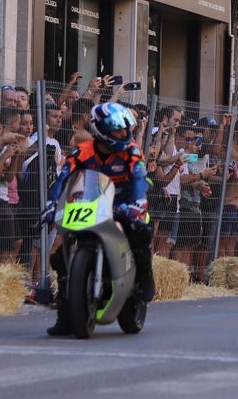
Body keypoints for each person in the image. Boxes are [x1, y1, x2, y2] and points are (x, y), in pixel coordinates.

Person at [41, 102, 156, 337]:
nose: (123, 134)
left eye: (125, 129)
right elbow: (62, 179)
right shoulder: (82, 151)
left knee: (140, 230)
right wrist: (52, 203)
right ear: (100, 130)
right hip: (91, 204)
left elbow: (139, 179)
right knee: (58, 255)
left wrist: (138, 203)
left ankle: (144, 277)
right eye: (116, 130)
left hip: (125, 204)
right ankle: (66, 314)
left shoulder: (132, 151)